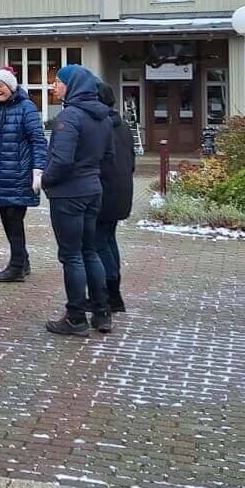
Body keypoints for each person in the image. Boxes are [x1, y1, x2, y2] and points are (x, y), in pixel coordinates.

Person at [41, 64, 114, 338]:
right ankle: (101, 313)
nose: (53, 87)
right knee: (89, 251)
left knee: (71, 255)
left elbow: (61, 161)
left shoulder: (69, 117)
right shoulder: (103, 117)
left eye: (58, 82)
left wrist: (45, 180)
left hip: (68, 194)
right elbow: (109, 157)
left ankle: (75, 317)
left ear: (72, 86)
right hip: (92, 190)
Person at [0, 67, 46, 283]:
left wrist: (38, 170)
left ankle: (17, 266)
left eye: (0, 86)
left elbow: (38, 140)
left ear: (11, 86)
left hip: (20, 174)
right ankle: (23, 261)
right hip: (1, 175)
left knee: (14, 220)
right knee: (6, 219)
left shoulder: (26, 107)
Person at [96, 81, 136, 316]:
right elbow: (131, 161)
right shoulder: (123, 126)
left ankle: (110, 294)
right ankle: (114, 293)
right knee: (109, 240)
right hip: (122, 192)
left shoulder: (102, 126)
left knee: (100, 242)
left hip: (104, 192)